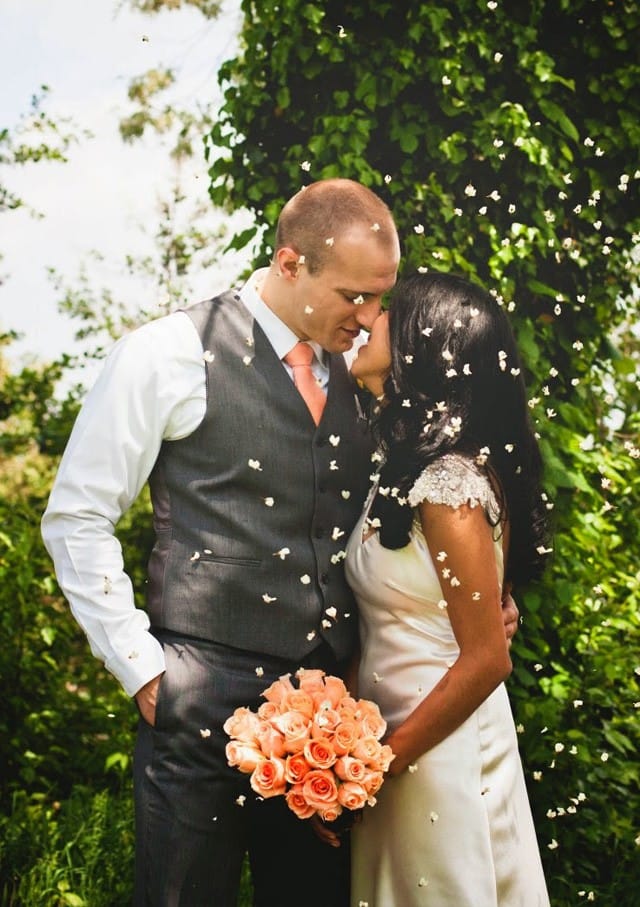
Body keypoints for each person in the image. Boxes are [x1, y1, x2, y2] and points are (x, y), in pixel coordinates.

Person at [41, 179, 518, 907]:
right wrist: (141, 669)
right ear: (290, 264)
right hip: (197, 698)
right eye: (353, 296)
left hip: (333, 718)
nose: (366, 318)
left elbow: (425, 514)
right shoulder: (166, 353)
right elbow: (78, 515)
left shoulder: (363, 378)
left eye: (378, 299)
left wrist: (482, 605)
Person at [345, 271, 550, 906]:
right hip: (392, 743)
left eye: (385, 314)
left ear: (417, 344)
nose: (365, 319)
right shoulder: (401, 467)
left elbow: (488, 655)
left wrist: (380, 765)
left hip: (440, 750)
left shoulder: (451, 486)